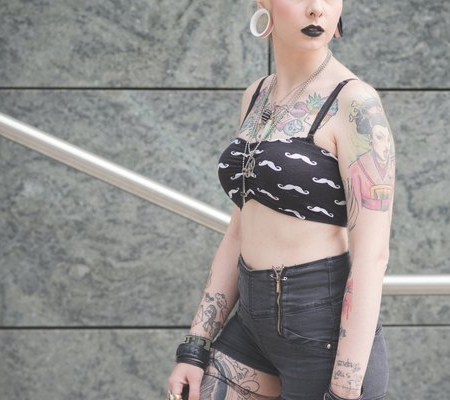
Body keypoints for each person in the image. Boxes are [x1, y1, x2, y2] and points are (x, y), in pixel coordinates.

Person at [167, 1, 395, 399]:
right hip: (252, 323)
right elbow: (239, 231)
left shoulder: (356, 102)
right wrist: (195, 345)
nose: (315, 10)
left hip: (320, 332)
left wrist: (343, 390)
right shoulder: (257, 95)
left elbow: (371, 256)